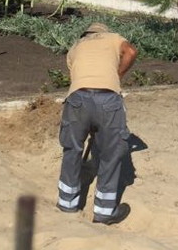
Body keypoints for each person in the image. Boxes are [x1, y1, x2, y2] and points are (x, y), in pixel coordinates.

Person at [57, 23, 138, 225]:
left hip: (77, 98)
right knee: (111, 154)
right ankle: (105, 212)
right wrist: (117, 75)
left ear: (86, 34)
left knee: (72, 149)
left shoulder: (76, 47)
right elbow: (130, 51)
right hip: (108, 99)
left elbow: (75, 78)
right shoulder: (113, 38)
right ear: (104, 32)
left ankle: (67, 203)